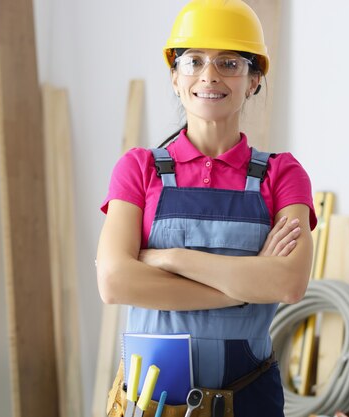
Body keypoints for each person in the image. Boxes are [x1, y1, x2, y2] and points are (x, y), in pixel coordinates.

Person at [96, 0, 317, 415]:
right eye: (193, 61)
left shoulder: (282, 174)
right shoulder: (140, 169)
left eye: (229, 63)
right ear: (175, 78)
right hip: (152, 404)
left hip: (249, 399)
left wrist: (169, 258)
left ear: (254, 80)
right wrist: (243, 291)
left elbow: (287, 283)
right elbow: (114, 282)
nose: (209, 76)